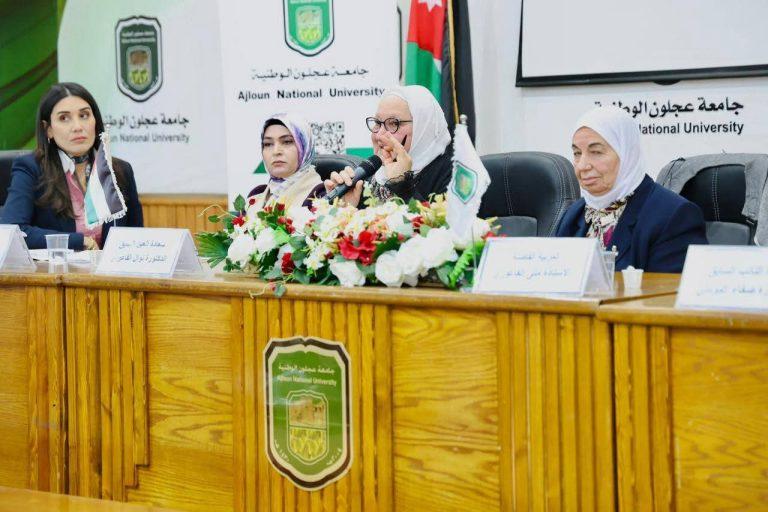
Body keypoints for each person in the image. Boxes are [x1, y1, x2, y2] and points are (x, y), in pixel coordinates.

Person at [556, 105, 707, 272]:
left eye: (596, 152)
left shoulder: (673, 216)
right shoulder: (575, 214)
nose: (582, 166)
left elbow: (668, 287)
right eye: (577, 153)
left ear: (627, 154)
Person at [1, 82, 143, 250]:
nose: (77, 127)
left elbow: (135, 237)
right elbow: (13, 231)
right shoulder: (31, 168)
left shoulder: (119, 170)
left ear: (95, 121)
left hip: (110, 267)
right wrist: (79, 241)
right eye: (64, 118)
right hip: (56, 267)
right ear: (48, 129)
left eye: (84, 115)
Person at [324, 85, 452, 206]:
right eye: (377, 123)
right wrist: (345, 211)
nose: (379, 135)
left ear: (423, 128)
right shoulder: (367, 180)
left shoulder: (453, 176)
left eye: (394, 123)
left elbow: (436, 222)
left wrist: (401, 185)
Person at [247, 113, 324, 210]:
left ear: (305, 147)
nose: (276, 151)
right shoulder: (256, 195)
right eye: (268, 144)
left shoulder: (321, 196)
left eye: (287, 142)